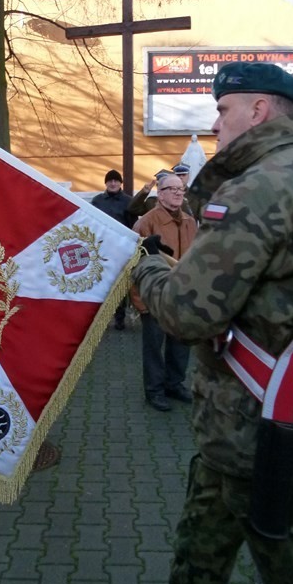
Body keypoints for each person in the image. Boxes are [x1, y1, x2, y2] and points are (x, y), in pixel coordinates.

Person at [132, 63, 293, 584]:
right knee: (199, 558)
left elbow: (186, 314)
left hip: (263, 433)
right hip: (240, 425)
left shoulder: (254, 192)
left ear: (258, 110)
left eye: (223, 110)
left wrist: (144, 269)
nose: (216, 124)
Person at [132, 174, 197, 411]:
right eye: (172, 189)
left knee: (181, 344)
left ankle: (174, 384)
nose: (179, 193)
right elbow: (135, 265)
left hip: (182, 295)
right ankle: (154, 390)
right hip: (154, 296)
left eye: (181, 189)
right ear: (160, 194)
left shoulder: (190, 222)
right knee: (154, 348)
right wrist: (141, 301)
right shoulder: (146, 222)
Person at [91, 169, 133, 329]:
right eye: (110, 181)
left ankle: (120, 317)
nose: (113, 183)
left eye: (116, 180)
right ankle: (98, 319)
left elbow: (132, 225)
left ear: (120, 183)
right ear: (106, 183)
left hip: (121, 250)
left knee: (119, 284)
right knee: (100, 284)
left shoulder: (128, 202)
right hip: (101, 249)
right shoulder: (97, 201)